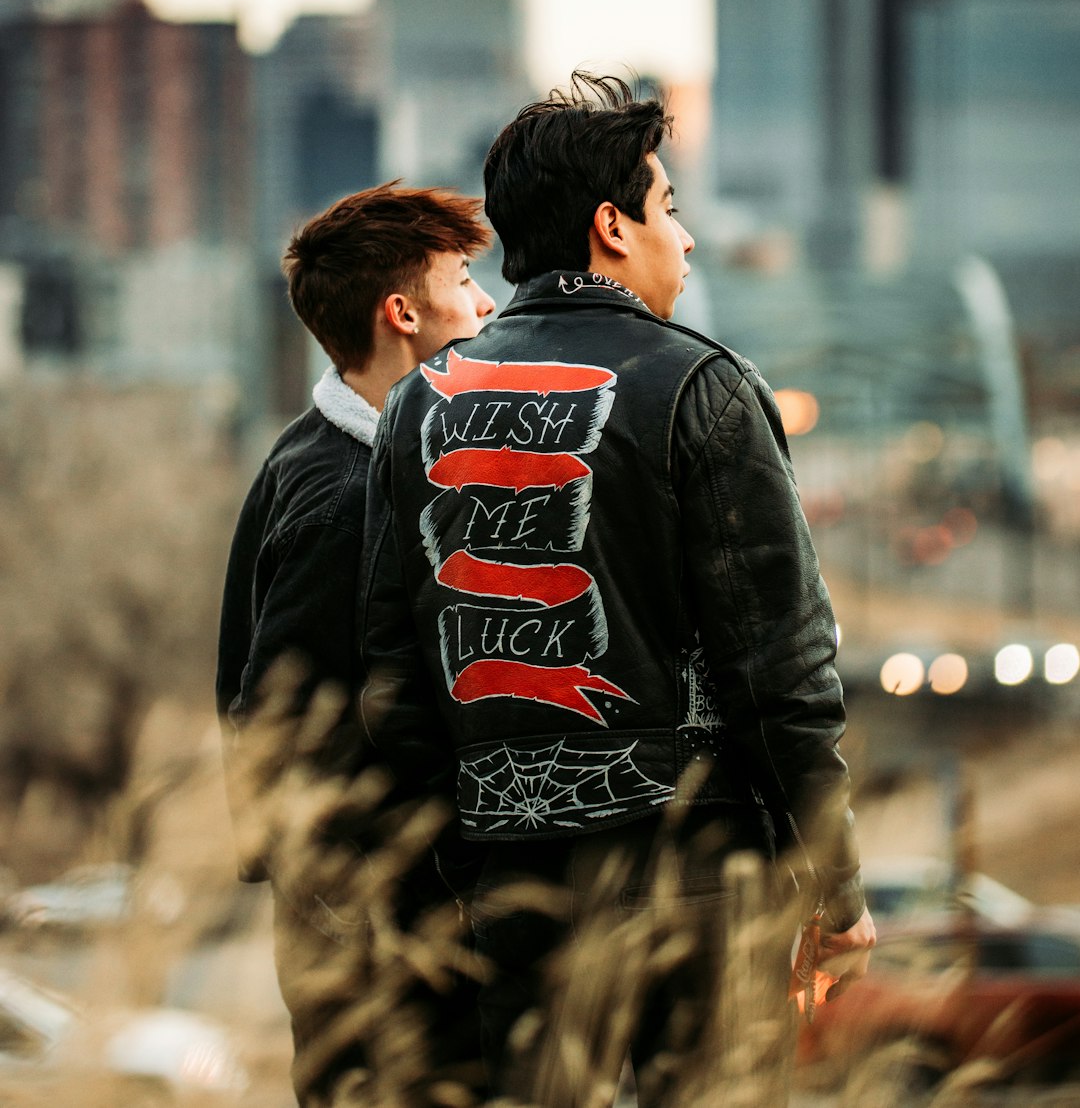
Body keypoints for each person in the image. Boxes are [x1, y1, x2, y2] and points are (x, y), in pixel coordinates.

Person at [360, 75, 875, 1104]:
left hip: (508, 879)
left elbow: (391, 679)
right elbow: (782, 672)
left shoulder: (421, 404)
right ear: (611, 225)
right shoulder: (702, 387)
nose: (684, 241)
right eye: (669, 209)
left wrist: (438, 888)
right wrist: (837, 884)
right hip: (701, 879)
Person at [216, 182, 494, 1105]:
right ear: (402, 314)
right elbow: (282, 730)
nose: (486, 301)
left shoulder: (335, 459)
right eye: (464, 278)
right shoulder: (347, 494)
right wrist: (368, 915)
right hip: (381, 946)